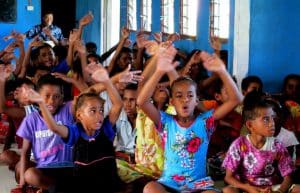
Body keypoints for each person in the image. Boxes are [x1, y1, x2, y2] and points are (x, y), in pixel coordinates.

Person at [137, 45, 242, 193]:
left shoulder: (206, 122)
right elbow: (142, 102)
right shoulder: (165, 121)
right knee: (150, 188)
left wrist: (222, 71)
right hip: (170, 183)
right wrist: (160, 71)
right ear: (172, 102)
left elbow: (236, 99)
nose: (185, 100)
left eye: (190, 96)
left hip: (198, 185)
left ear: (196, 101)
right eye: (179, 96)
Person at [22, 64, 123, 193]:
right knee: (58, 187)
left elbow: (118, 104)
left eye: (101, 111)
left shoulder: (105, 128)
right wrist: (41, 103)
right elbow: (55, 128)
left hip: (107, 184)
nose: (99, 115)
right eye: (93, 111)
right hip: (82, 185)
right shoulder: (75, 131)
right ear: (79, 115)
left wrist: (107, 81)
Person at [222, 94, 300, 193]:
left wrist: (279, 191)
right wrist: (248, 188)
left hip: (271, 188)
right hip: (247, 188)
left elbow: (288, 176)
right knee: (228, 190)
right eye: (266, 119)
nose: (272, 123)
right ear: (250, 125)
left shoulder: (277, 145)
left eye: (272, 118)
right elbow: (228, 177)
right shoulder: (239, 145)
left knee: (298, 189)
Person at [16, 74, 75, 192]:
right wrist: (22, 183)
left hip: (68, 167)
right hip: (44, 168)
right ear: (37, 97)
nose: (51, 101)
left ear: (62, 99)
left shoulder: (68, 109)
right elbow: (25, 153)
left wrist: (72, 81)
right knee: (29, 175)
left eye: (56, 96)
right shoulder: (31, 119)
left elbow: (88, 96)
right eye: (46, 96)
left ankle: (52, 189)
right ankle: (56, 189)